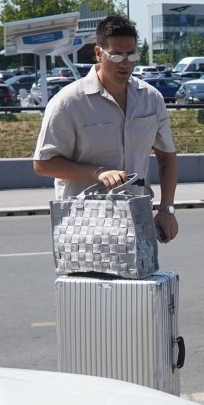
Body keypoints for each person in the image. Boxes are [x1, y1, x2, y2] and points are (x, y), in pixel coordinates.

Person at [32, 16, 179, 242]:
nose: (125, 62)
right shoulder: (68, 102)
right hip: (83, 226)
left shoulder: (151, 98)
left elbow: (167, 158)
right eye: (116, 55)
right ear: (99, 54)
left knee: (141, 277)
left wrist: (166, 209)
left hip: (137, 220)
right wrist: (97, 172)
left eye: (131, 54)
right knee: (88, 279)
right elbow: (43, 164)